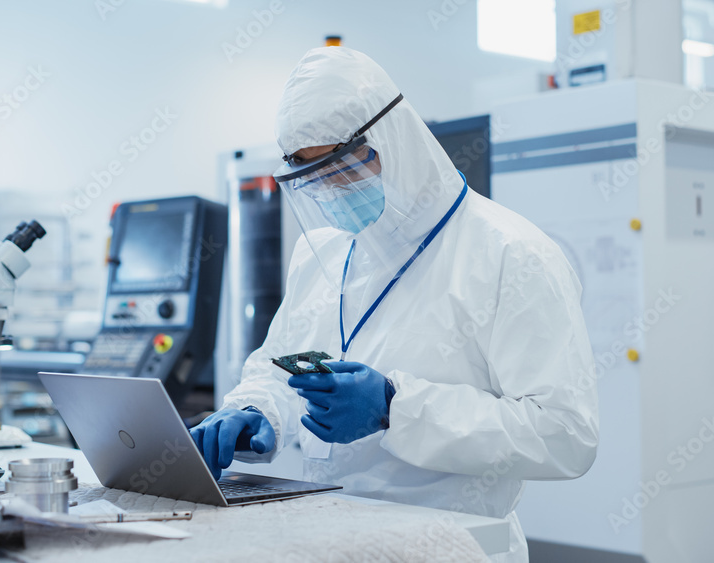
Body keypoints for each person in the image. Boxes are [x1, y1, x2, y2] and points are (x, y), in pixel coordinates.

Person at [190, 46, 598, 562]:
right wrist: (256, 410)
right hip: (332, 536)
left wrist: (394, 408)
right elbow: (278, 370)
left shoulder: (510, 254)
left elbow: (565, 433)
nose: (331, 191)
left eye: (339, 167)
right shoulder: (324, 254)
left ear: (392, 140)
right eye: (312, 178)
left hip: (455, 545)